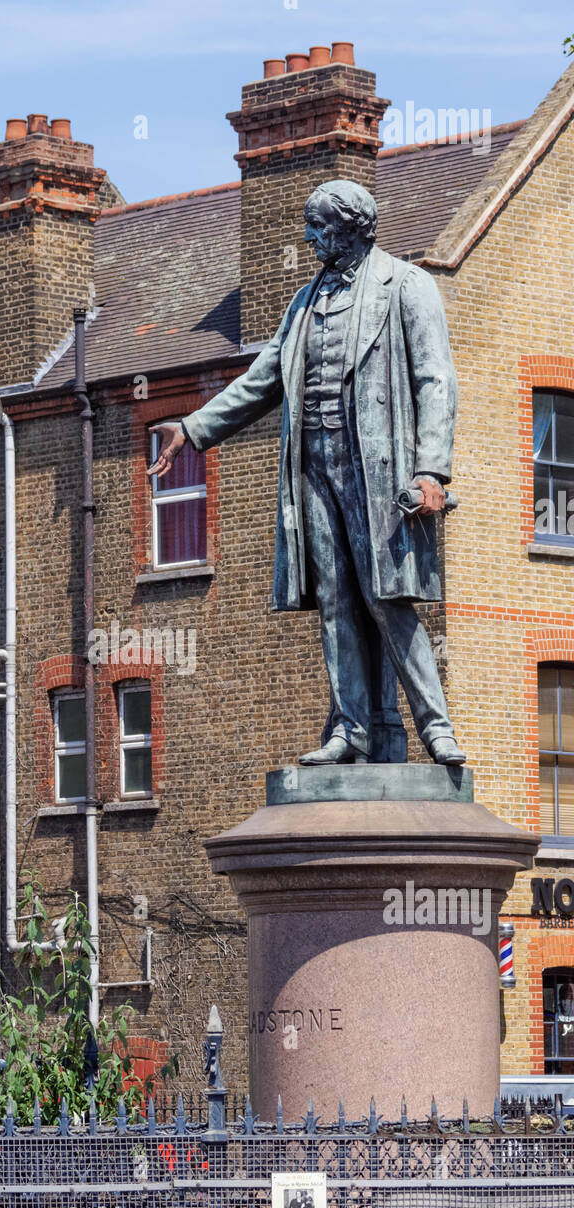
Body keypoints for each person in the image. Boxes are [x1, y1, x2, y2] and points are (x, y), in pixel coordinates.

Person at [151, 180, 465, 767]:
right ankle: (351, 730)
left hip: (382, 474)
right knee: (336, 601)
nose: (308, 237)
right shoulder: (303, 303)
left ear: (351, 228)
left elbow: (436, 380)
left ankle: (436, 725)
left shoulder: (407, 287)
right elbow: (262, 380)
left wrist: (432, 470)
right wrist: (192, 428)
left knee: (386, 598)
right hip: (314, 470)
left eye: (318, 228)